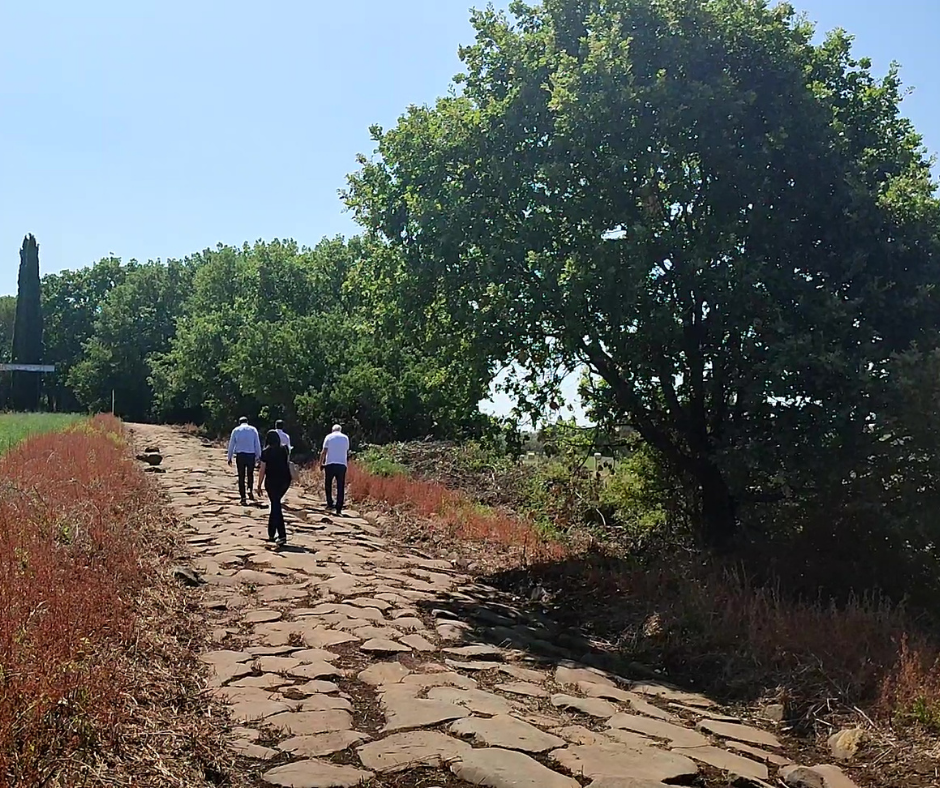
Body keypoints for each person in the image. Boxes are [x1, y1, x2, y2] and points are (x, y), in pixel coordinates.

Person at [257, 429, 292, 546]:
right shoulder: (285, 449)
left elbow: (262, 470)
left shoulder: (266, 452)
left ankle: (282, 535)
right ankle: (271, 532)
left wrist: (259, 485)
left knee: (276, 506)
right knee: (275, 504)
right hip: (285, 481)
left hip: (272, 481)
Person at [227, 416, 262, 505]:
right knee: (250, 474)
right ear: (247, 422)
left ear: (239, 422)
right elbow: (257, 443)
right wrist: (259, 456)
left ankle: (243, 497)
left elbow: (231, 444)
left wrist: (229, 457)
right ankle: (250, 489)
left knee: (241, 476)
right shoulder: (253, 430)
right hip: (251, 455)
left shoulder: (236, 430)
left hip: (240, 455)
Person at [320, 424, 349, 516]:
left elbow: (324, 451)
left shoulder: (329, 437)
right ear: (340, 430)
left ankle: (330, 503)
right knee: (340, 486)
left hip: (330, 463)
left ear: (332, 430)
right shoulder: (345, 438)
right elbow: (346, 450)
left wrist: (321, 463)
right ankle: (339, 507)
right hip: (342, 464)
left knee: (328, 484)